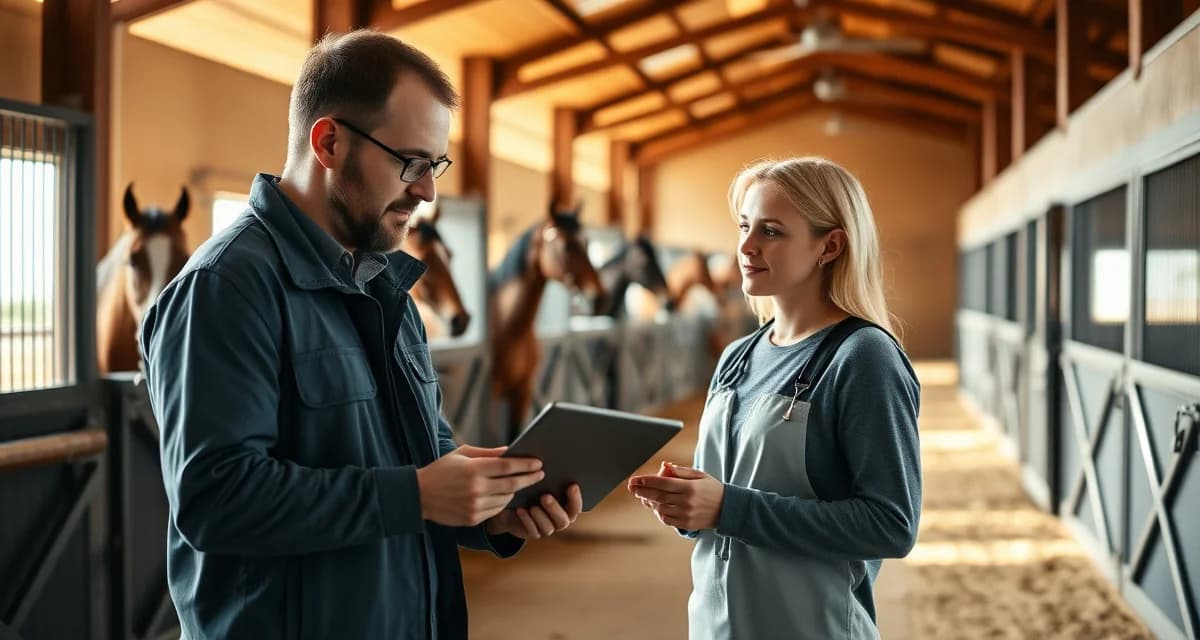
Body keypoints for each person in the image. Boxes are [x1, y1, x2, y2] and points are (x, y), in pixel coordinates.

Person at [139, 30, 582, 640]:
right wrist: (417, 495)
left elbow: (417, 463)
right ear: (328, 142)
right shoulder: (227, 287)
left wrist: (486, 509)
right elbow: (215, 499)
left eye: (436, 166)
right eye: (412, 163)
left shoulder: (385, 287)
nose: (427, 190)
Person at [627, 157, 921, 639]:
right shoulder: (737, 356)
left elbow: (890, 525)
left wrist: (727, 508)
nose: (745, 246)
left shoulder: (863, 357)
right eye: (744, 226)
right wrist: (688, 505)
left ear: (830, 246)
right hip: (714, 625)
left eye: (771, 231)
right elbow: (720, 500)